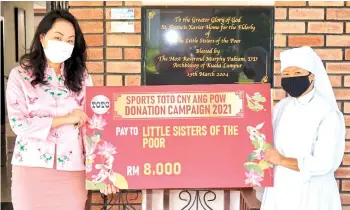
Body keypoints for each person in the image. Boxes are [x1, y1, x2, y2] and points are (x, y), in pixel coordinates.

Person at [6, 10, 115, 210]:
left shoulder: (81, 77)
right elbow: (18, 124)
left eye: (70, 40)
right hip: (31, 169)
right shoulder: (20, 75)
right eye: (58, 37)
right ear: (42, 37)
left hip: (72, 170)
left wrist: (104, 171)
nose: (64, 44)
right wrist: (65, 119)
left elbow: (91, 126)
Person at [260, 46, 345, 210]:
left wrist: (282, 161)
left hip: (312, 192)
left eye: (297, 73)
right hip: (280, 190)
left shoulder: (327, 112)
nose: (291, 78)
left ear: (312, 76)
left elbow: (325, 163)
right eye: (286, 74)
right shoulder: (281, 107)